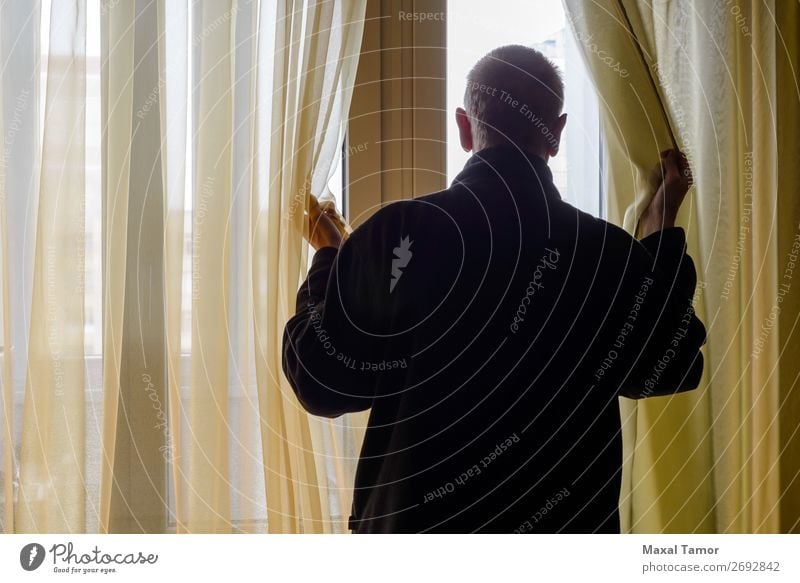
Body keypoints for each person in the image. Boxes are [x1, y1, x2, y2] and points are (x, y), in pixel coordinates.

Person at [282, 44, 705, 533]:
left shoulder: (399, 233)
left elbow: (320, 381)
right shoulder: (605, 254)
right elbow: (670, 366)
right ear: (557, 133)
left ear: (464, 127)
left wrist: (330, 257)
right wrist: (660, 237)